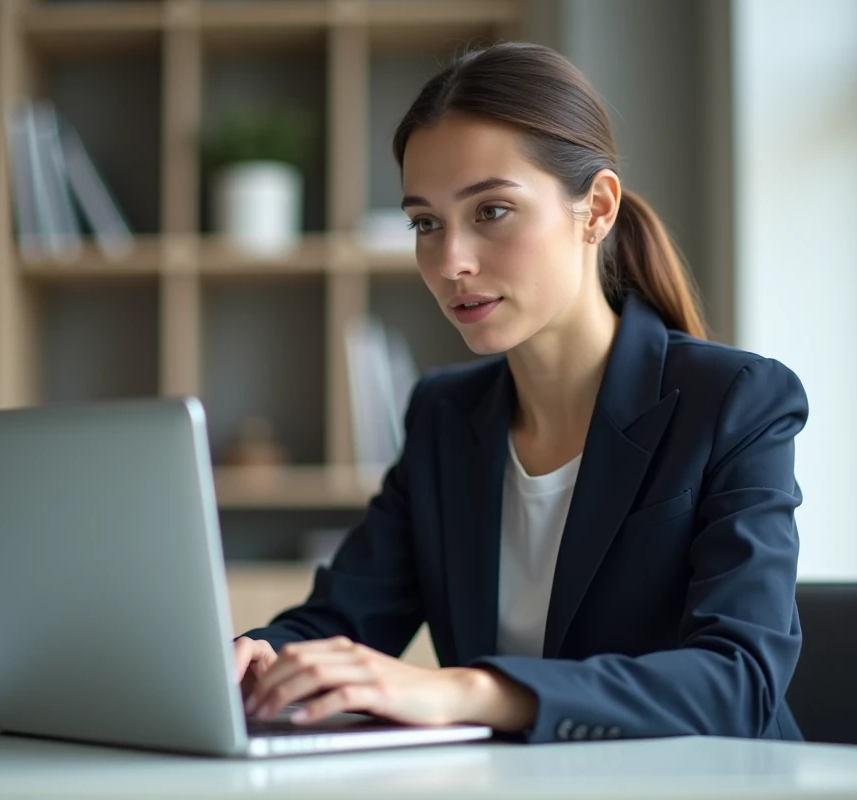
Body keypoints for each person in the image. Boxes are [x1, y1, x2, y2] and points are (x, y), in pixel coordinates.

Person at [233, 41, 808, 744]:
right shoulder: (445, 415)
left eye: (492, 212)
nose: (451, 262)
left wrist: (471, 689)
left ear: (595, 209)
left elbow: (738, 681)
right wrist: (262, 655)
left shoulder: (736, 400)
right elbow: (343, 619)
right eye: (425, 223)